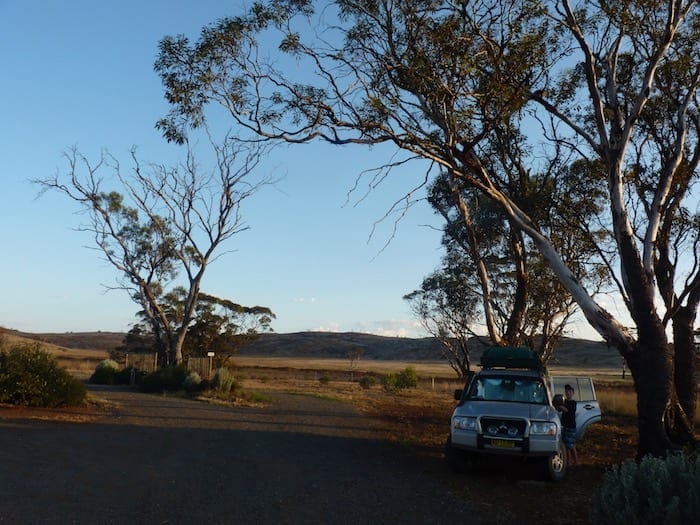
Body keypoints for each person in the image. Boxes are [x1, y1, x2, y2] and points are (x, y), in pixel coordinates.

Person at [557, 384, 578, 466]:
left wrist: (560, 406)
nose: (567, 393)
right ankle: (569, 463)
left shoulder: (573, 403)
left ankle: (575, 462)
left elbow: (567, 411)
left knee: (571, 446)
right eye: (566, 391)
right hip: (565, 426)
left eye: (569, 391)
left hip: (571, 427)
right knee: (567, 446)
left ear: (573, 392)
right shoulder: (564, 402)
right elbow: (559, 410)